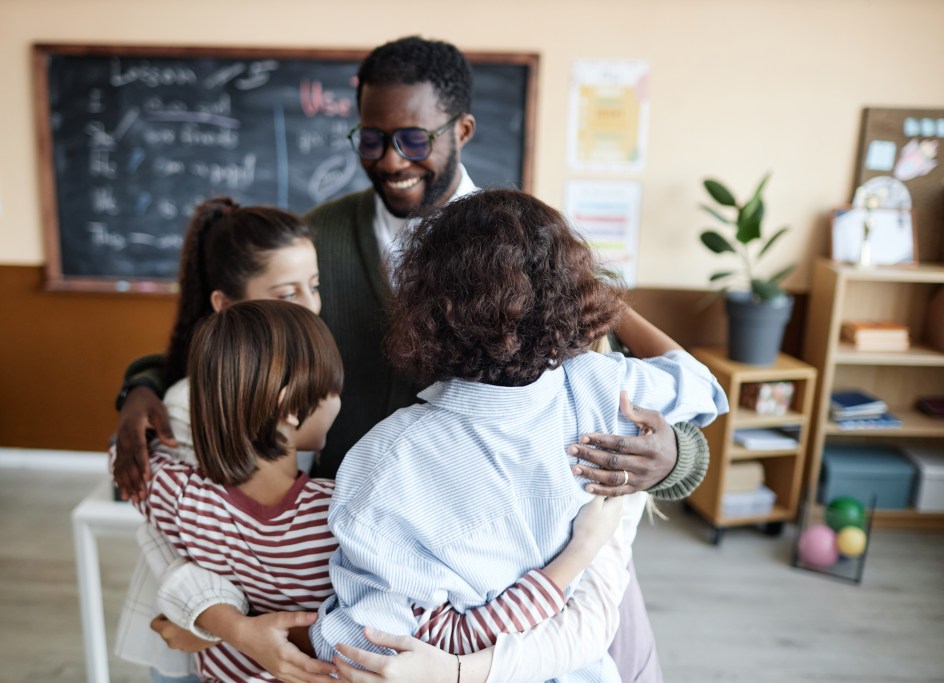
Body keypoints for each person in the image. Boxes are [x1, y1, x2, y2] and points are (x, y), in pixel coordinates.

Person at [112, 35, 713, 681]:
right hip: (366, 562)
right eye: (371, 140)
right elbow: (239, 344)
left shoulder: (534, 252)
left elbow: (630, 405)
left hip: (536, 574)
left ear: (462, 130)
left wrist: (675, 459)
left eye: (414, 140)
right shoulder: (320, 237)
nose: (392, 159)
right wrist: (141, 386)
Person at [311, 188, 728, 683]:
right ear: (570, 293)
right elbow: (703, 387)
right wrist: (600, 302)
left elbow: (361, 645)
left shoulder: (384, 460)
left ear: (426, 308)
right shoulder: (603, 388)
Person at [130, 298, 628, 683]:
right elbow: (446, 638)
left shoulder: (176, 494)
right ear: (290, 407)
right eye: (332, 389)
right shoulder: (338, 515)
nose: (338, 401)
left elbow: (129, 464)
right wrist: (576, 557)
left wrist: (136, 402)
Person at [112, 197, 321, 682]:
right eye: (287, 294)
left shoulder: (304, 384)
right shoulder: (189, 407)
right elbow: (174, 536)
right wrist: (226, 626)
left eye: (314, 287)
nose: (311, 307)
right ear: (225, 306)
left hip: (266, 647)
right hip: (190, 634)